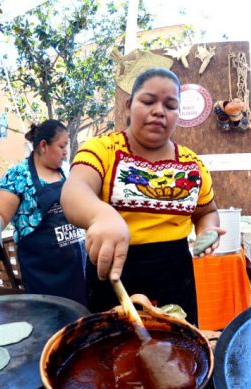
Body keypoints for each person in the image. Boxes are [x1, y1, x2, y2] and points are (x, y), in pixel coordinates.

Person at [61, 67, 222, 325]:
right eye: (148, 101)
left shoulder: (193, 165)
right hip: (113, 276)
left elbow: (207, 211)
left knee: (175, 357)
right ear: (128, 105)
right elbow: (74, 190)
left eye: (170, 106)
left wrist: (207, 231)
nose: (159, 111)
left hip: (175, 276)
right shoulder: (103, 150)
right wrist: (102, 216)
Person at [0, 120, 87, 305]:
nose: (65, 152)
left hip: (77, 269)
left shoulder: (65, 173)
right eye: (61, 146)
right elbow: (0, 217)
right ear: (44, 145)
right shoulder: (18, 176)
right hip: (44, 274)